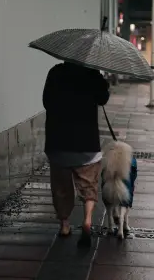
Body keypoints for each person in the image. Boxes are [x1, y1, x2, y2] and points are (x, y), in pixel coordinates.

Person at [42, 62, 110, 247]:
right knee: (89, 184)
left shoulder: (55, 72)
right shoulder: (92, 73)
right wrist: (103, 83)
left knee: (61, 188)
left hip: (58, 140)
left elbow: (46, 102)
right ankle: (87, 220)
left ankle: (64, 225)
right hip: (86, 142)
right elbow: (103, 98)